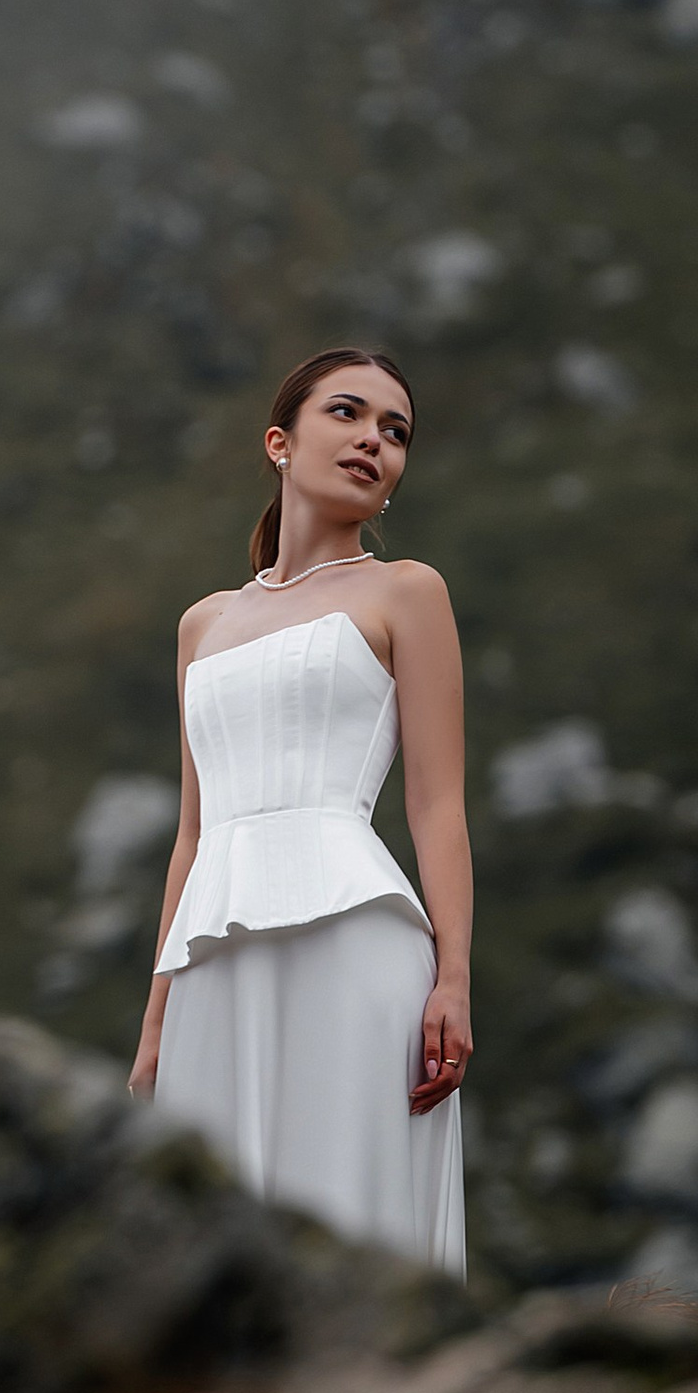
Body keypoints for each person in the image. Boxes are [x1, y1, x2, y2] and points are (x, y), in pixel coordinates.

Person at [130, 346, 471, 1272]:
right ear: (280, 442)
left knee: (343, 1208)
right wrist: (156, 1020)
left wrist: (453, 979)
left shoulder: (408, 592)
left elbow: (438, 806)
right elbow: (193, 833)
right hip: (212, 952)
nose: (373, 440)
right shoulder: (203, 623)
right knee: (214, 1225)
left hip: (355, 935)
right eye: (349, 414)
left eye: (395, 432)